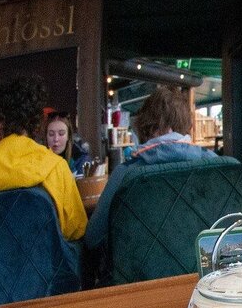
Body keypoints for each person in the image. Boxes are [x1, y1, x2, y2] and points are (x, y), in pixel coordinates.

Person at [84, 86, 215, 251]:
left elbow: (93, 238)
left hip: (139, 274)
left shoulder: (125, 174)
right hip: (203, 272)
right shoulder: (217, 165)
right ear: (185, 125)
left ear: (149, 127)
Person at [0, 75, 87, 241]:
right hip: (44, 265)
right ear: (37, 121)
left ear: (2, 121)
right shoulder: (56, 166)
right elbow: (76, 230)